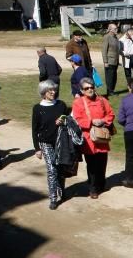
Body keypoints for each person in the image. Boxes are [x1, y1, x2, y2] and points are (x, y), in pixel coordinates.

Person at [71, 78, 116, 199]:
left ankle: (101, 184)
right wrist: (91, 122)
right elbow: (77, 119)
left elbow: (110, 114)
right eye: (86, 88)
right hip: (88, 139)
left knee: (102, 162)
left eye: (91, 87)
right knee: (91, 165)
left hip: (102, 136)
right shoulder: (78, 103)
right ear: (81, 90)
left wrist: (103, 121)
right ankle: (93, 188)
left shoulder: (102, 100)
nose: (90, 90)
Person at [31, 81, 70, 210]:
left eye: (54, 90)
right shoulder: (37, 108)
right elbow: (34, 130)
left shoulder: (61, 105)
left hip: (60, 142)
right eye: (50, 90)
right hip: (45, 142)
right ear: (43, 93)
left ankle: (61, 189)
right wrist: (37, 148)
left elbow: (69, 122)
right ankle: (53, 198)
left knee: (61, 168)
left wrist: (63, 121)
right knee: (52, 169)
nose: (53, 92)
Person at [100, 24, 119, 96]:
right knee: (109, 77)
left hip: (115, 60)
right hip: (109, 61)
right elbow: (104, 50)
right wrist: (105, 61)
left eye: (117, 28)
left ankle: (112, 90)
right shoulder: (107, 37)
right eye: (115, 29)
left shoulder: (116, 37)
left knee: (114, 77)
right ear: (110, 29)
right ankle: (110, 91)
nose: (116, 30)